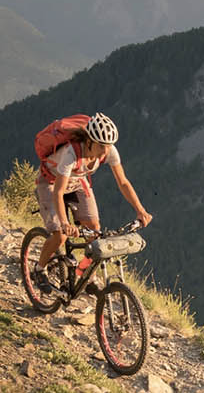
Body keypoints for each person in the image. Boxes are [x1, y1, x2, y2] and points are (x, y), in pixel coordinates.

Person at [33, 112, 152, 284]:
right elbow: (58, 192)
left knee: (95, 230)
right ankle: (39, 269)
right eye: (101, 145)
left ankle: (85, 274)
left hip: (77, 182)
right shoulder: (70, 153)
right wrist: (66, 224)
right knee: (60, 235)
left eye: (109, 145)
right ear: (89, 141)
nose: (105, 150)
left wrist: (140, 210)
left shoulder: (109, 150)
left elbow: (123, 182)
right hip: (51, 183)